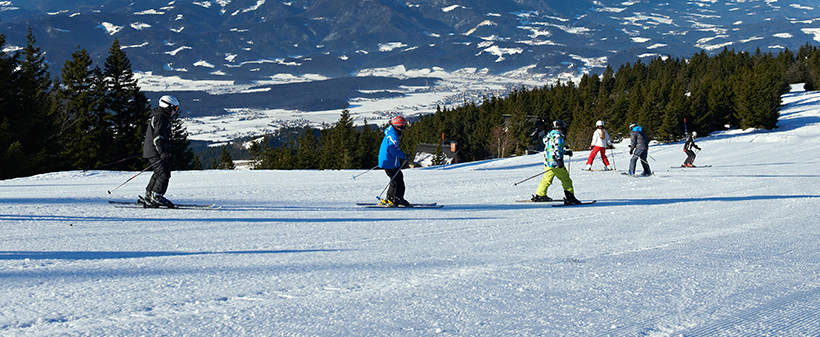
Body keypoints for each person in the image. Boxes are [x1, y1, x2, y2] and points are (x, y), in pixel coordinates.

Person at [531, 120, 582, 205]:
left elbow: (552, 148)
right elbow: (557, 148)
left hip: (548, 162)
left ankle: (540, 195)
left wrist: (566, 152)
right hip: (555, 163)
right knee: (565, 178)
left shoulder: (550, 136)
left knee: (546, 179)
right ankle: (570, 197)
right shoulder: (559, 136)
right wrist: (559, 159)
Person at [142, 95, 179, 208]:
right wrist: (162, 152)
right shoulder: (160, 118)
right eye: (175, 108)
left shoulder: (159, 116)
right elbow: (158, 137)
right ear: (168, 107)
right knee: (164, 173)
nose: (175, 111)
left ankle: (149, 195)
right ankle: (156, 196)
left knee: (159, 172)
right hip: (155, 151)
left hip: (152, 150)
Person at [378, 116, 411, 207]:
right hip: (389, 162)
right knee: (398, 181)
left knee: (395, 180)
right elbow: (393, 151)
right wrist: (404, 155)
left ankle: (390, 198)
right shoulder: (393, 136)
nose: (404, 129)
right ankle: (397, 198)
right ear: (398, 126)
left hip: (386, 161)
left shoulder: (390, 133)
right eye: (403, 126)